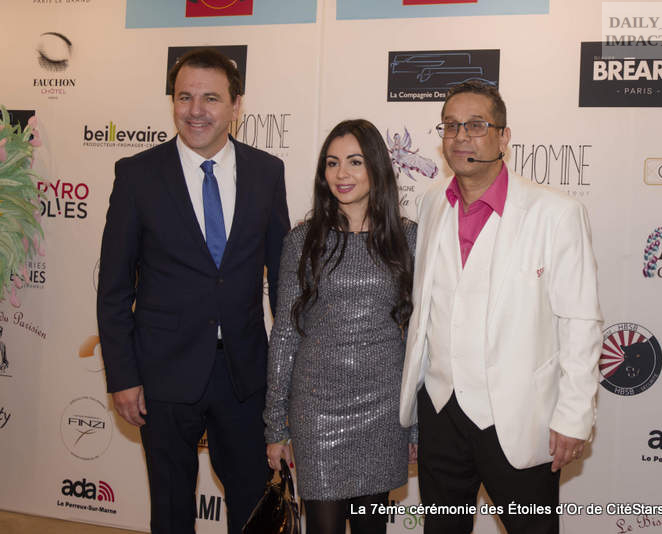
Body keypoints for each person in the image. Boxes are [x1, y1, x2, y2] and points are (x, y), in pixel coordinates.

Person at [97, 47, 290, 533]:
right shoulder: (137, 175)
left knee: (253, 507)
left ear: (236, 105)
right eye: (184, 97)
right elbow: (113, 288)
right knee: (170, 509)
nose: (195, 110)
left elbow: (283, 285)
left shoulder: (267, 173)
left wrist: (287, 380)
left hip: (244, 374)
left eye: (210, 98)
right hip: (162, 374)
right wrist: (122, 375)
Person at [398, 81, 603, 534]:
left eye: (476, 125)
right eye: (451, 126)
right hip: (441, 411)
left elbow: (580, 322)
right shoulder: (432, 202)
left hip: (518, 415)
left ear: (504, 137)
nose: (461, 136)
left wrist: (574, 415)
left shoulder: (556, 213)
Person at [264, 119, 416, 534]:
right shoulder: (302, 241)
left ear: (377, 168)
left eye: (354, 161)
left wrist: (416, 422)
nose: (341, 173)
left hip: (384, 408)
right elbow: (285, 334)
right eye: (332, 163)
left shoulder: (407, 238)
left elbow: (420, 338)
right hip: (316, 408)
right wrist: (275, 424)